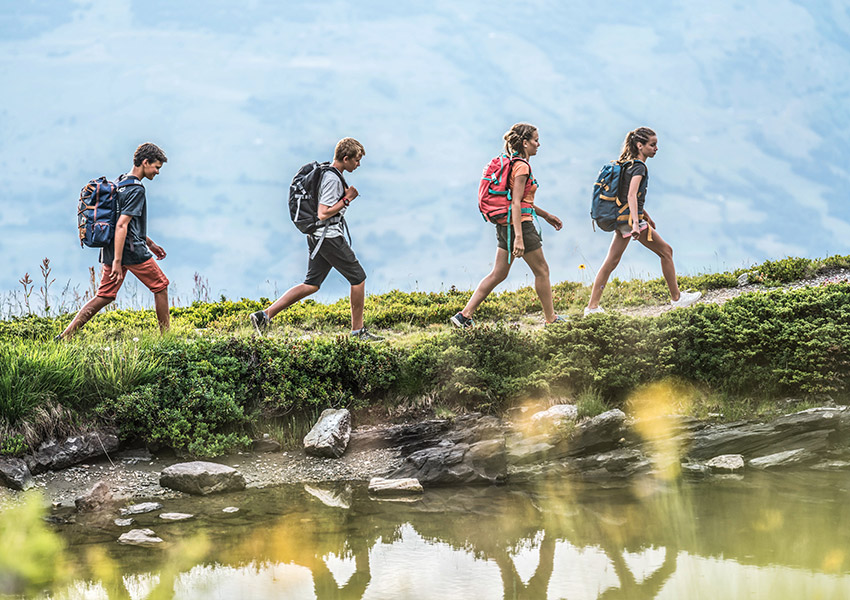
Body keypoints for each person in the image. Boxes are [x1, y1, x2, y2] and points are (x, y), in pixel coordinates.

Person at [250, 137, 383, 340]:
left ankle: (264, 316)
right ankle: (358, 332)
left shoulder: (328, 172)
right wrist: (347, 198)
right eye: (356, 160)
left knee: (312, 284)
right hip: (328, 238)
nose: (358, 164)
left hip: (317, 237)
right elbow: (323, 212)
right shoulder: (331, 179)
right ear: (345, 158)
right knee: (358, 279)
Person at [451, 123, 565, 328]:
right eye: (535, 140)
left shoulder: (512, 163)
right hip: (520, 226)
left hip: (505, 226)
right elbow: (516, 203)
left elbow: (519, 201)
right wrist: (520, 237)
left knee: (498, 273)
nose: (539, 144)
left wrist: (546, 215)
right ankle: (551, 319)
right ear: (524, 142)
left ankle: (464, 316)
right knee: (542, 271)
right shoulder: (522, 167)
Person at [58, 143, 170, 339]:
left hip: (111, 247)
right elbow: (121, 225)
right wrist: (119, 262)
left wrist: (151, 244)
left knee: (105, 295)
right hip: (130, 250)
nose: (157, 172)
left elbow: (124, 223)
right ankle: (167, 337)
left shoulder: (119, 183)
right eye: (156, 167)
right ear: (145, 162)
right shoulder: (136, 190)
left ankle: (65, 336)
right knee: (160, 286)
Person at [585, 127, 701, 316]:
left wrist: (646, 216)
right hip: (631, 221)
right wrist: (636, 224)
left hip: (623, 219)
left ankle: (592, 307)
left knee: (611, 261)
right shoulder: (639, 167)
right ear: (640, 145)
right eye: (652, 145)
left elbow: (628, 196)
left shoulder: (626, 164)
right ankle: (677, 298)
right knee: (666, 251)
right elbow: (631, 195)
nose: (656, 148)